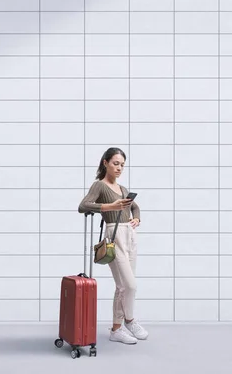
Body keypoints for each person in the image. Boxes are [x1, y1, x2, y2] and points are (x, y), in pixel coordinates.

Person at [78, 147, 148, 344]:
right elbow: (83, 206)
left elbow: (134, 206)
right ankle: (130, 320)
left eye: (122, 165)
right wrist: (111, 207)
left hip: (130, 235)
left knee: (123, 286)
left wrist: (136, 218)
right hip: (114, 235)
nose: (119, 168)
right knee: (130, 285)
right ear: (105, 163)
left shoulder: (123, 189)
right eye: (116, 163)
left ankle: (116, 330)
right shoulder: (99, 186)